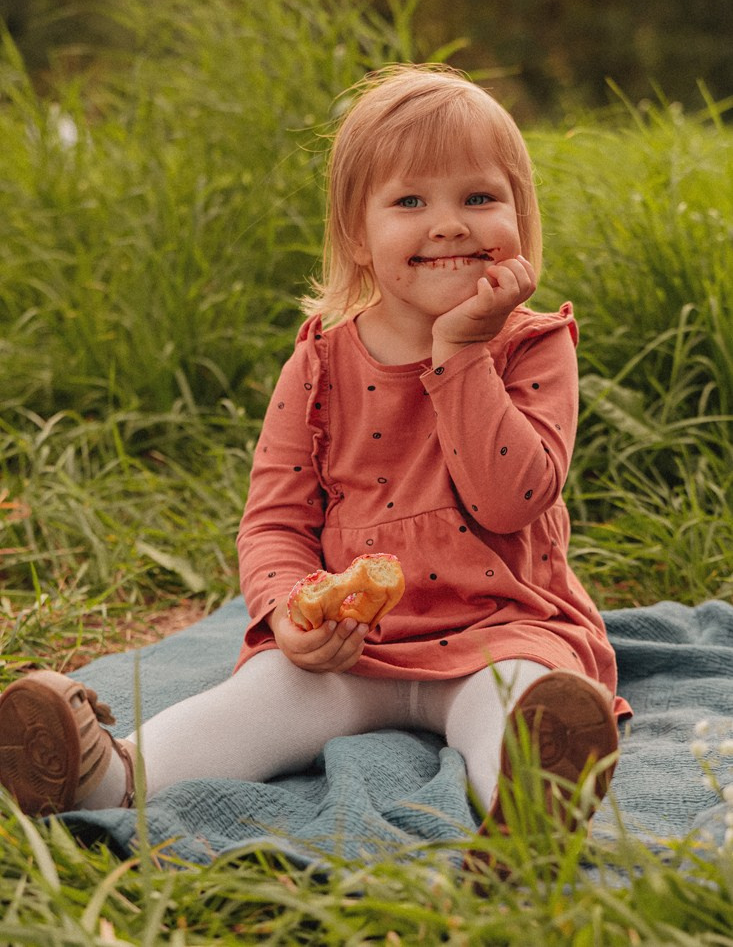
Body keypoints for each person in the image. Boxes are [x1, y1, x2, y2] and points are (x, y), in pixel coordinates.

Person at [0, 64, 628, 836]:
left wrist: (460, 352)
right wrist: (286, 611)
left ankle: (530, 805)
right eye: (409, 201)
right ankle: (106, 777)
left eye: (478, 198)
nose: (449, 224)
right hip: (355, 647)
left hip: (503, 628)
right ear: (356, 237)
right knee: (256, 701)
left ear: (519, 219)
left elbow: (511, 499)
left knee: (515, 699)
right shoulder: (321, 364)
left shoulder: (531, 346)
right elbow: (274, 523)